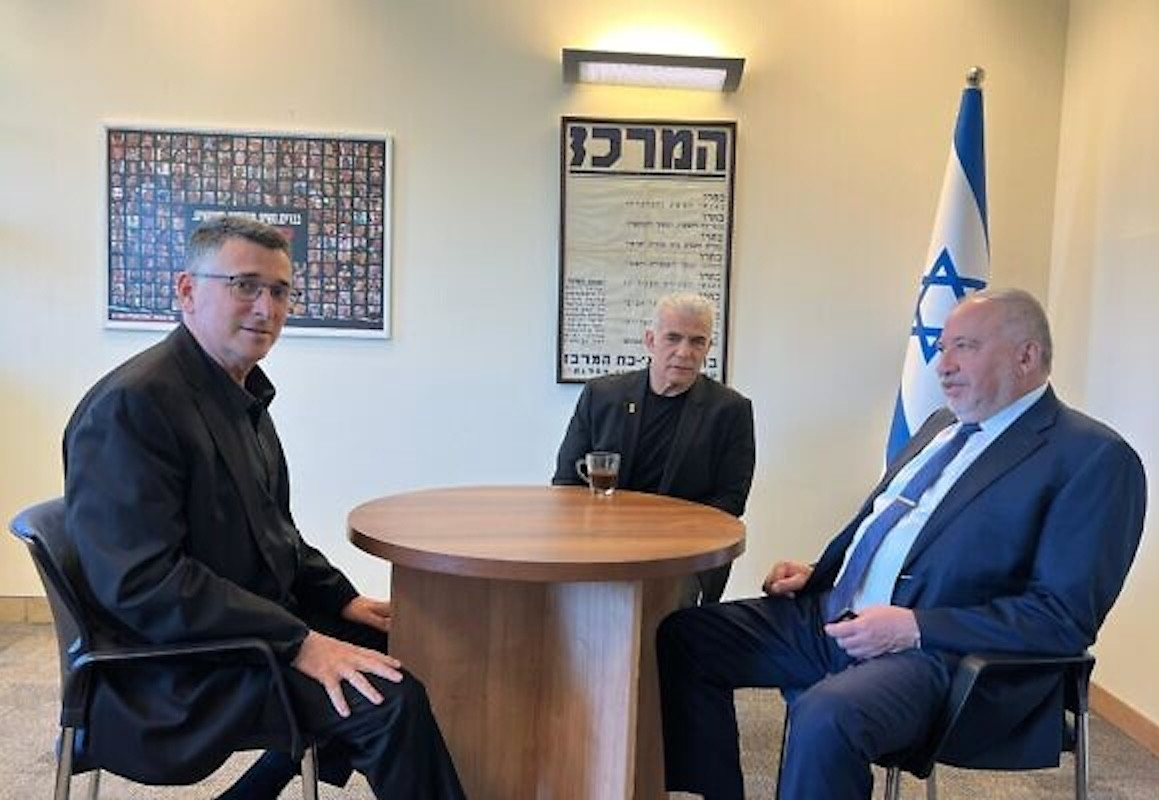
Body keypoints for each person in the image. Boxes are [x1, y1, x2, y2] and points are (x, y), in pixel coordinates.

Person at [656, 288, 1146, 800]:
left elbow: (1061, 618)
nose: (943, 366)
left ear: (1026, 356)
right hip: (837, 615)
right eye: (942, 348)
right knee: (684, 637)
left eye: (965, 347)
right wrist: (826, 571)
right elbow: (903, 531)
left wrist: (913, 627)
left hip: (944, 656)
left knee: (826, 716)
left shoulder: (1092, 458)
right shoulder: (941, 426)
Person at [62, 216, 465, 799]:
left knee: (399, 653)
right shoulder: (133, 407)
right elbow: (144, 584)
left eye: (279, 291)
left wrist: (341, 600)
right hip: (175, 661)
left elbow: (276, 535)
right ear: (187, 291)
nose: (266, 308)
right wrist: (300, 642)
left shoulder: (240, 392)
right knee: (390, 701)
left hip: (238, 628)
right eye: (245, 285)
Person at [553, 291, 756, 604]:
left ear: (708, 348)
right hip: (601, 545)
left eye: (697, 341)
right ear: (650, 341)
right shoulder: (601, 395)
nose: (684, 352)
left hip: (683, 556)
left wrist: (661, 536)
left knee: (662, 612)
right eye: (673, 338)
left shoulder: (730, 411)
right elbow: (566, 483)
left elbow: (730, 501)